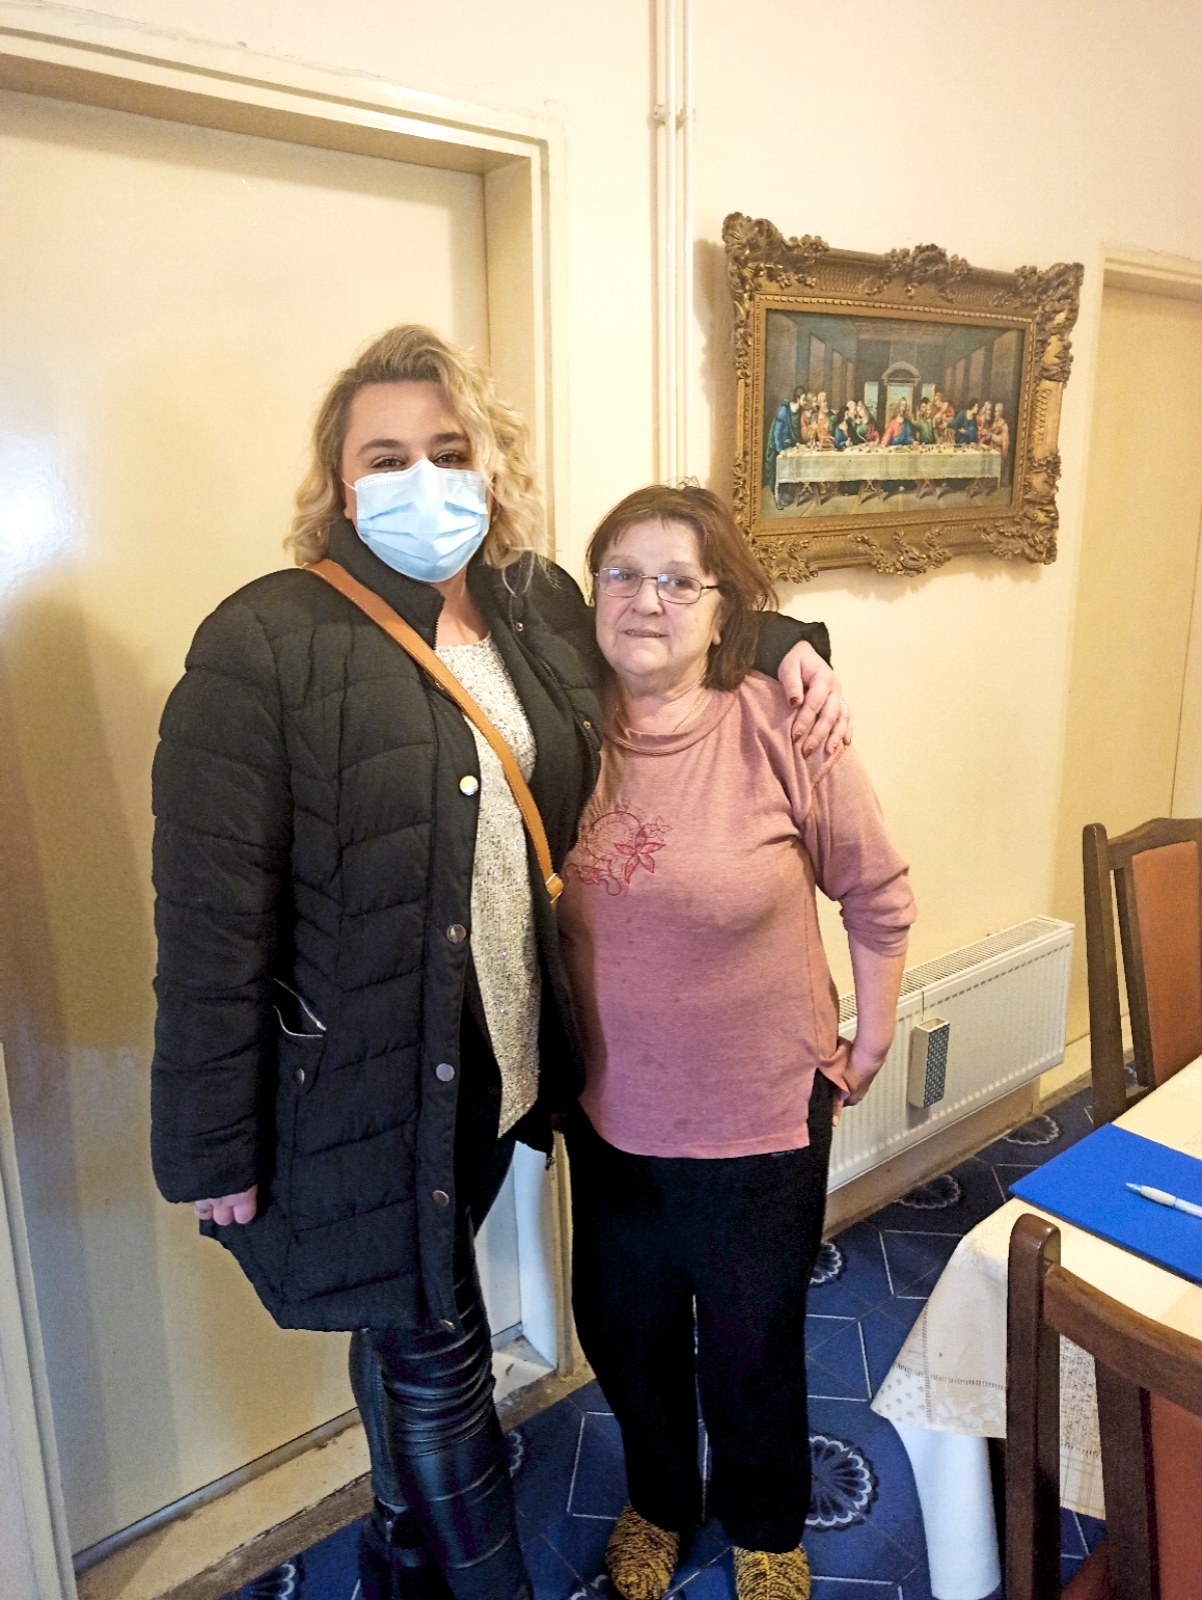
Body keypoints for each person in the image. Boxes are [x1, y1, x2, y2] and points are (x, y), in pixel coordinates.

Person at [149, 327, 849, 1600]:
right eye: (386, 456)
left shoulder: (531, 603)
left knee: (405, 1317)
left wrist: (793, 638)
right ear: (338, 480)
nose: (422, 478)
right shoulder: (263, 643)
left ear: (488, 463)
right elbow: (209, 922)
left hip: (506, 1069)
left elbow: (671, 619)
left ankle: (401, 1531)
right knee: (438, 1355)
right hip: (369, 1095)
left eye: (448, 448)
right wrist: (210, 1147)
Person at [559, 485, 916, 1600]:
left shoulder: (781, 722)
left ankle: (766, 1521)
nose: (646, 600)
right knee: (625, 1331)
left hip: (758, 1111)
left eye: (679, 580)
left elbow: (876, 891)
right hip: (610, 1111)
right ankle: (661, 1499)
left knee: (753, 1337)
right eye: (621, 573)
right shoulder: (557, 725)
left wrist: (870, 1033)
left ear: (725, 614)